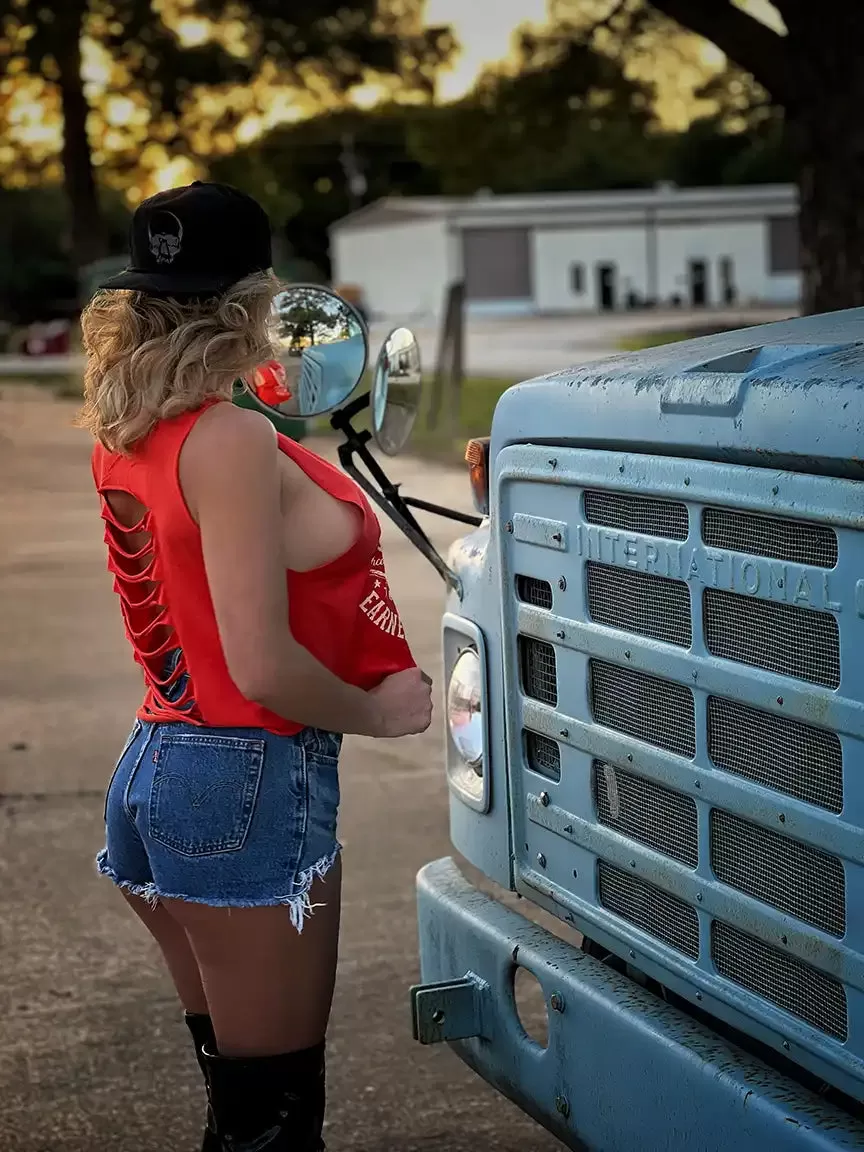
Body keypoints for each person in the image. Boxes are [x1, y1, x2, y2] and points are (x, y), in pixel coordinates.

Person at [77, 181, 433, 1152]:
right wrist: (382, 709)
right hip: (242, 780)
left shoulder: (131, 427)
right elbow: (264, 667)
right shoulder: (227, 438)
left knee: (239, 1112)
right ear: (255, 300)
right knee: (276, 1126)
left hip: (158, 767)